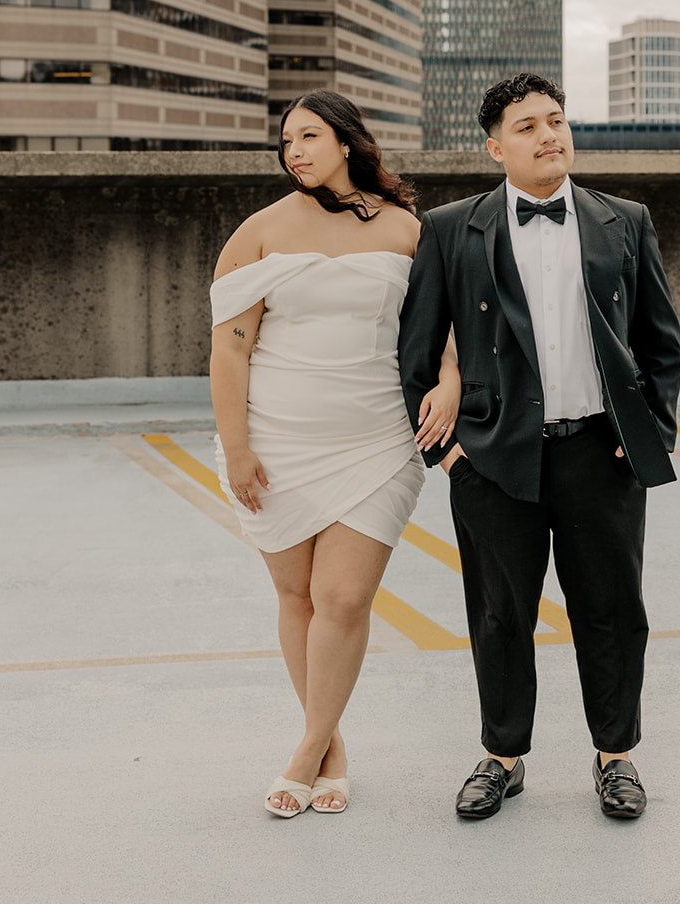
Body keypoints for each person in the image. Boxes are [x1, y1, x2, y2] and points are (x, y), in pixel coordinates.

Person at [398, 73, 680, 822]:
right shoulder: (450, 227)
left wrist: (647, 434)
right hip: (494, 457)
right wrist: (448, 455)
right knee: (499, 614)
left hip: (600, 452)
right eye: (526, 126)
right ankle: (501, 755)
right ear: (494, 146)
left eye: (555, 120)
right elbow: (415, 355)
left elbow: (661, 345)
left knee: (612, 611)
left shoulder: (625, 219)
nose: (548, 134)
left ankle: (615, 755)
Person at [209, 91, 460, 818]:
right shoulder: (257, 232)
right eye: (286, 141)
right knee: (295, 596)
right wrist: (236, 448)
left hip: (378, 437)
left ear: (346, 142)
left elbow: (441, 328)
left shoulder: (407, 229)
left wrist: (449, 382)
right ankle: (332, 749)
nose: (295, 151)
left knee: (343, 598)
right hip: (276, 440)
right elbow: (229, 349)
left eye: (309, 136)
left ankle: (304, 750)